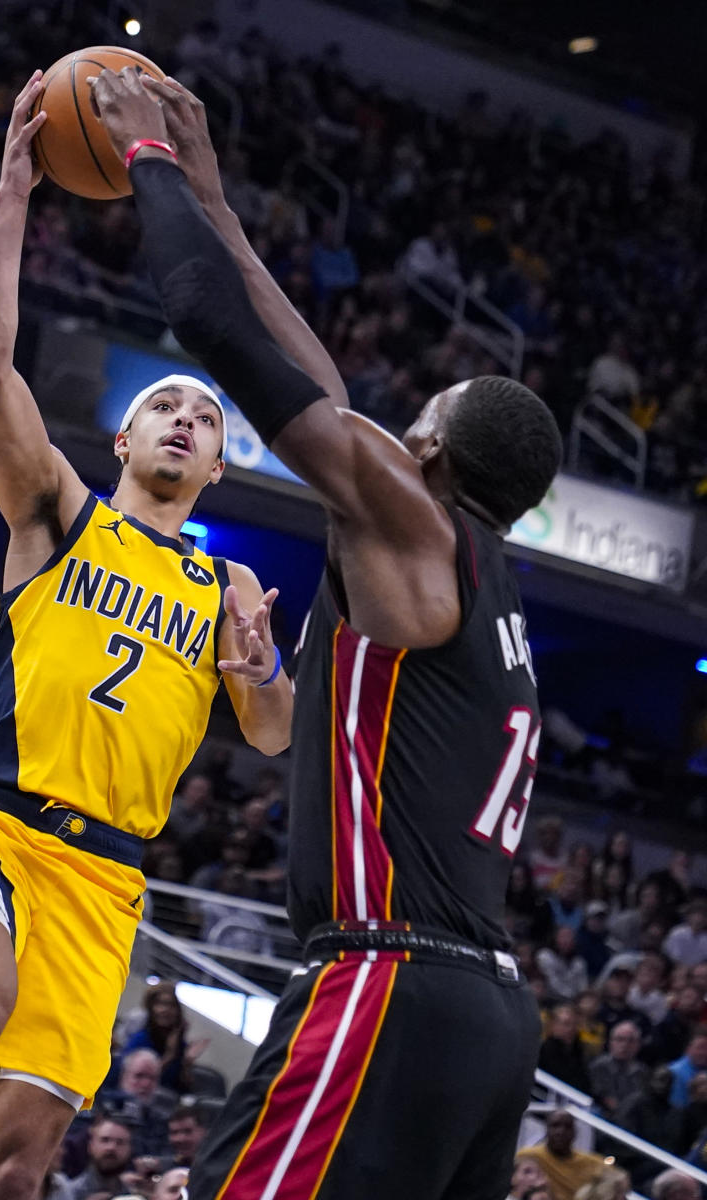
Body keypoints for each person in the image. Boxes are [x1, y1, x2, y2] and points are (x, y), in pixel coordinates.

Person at [92, 69, 561, 1199]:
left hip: (388, 982)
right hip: (489, 1019)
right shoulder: (481, 585)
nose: (396, 425)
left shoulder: (412, 527)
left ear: (435, 456)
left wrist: (150, 163)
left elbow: (215, 329)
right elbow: (328, 392)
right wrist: (220, 199)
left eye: (422, 417)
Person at [0, 73, 291, 1200]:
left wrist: (265, 669)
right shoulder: (57, 512)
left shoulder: (231, 583)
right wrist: (12, 192)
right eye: (168, 407)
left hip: (105, 882)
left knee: (12, 1174)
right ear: (122, 437)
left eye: (205, 417)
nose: (187, 421)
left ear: (218, 465)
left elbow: (276, 735)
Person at [517, 1112, 605, 1200]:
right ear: (546, 1129)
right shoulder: (527, 1155)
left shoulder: (592, 1163)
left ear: (575, 1132)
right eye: (555, 1125)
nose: (561, 1131)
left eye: (567, 1127)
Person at [61, 1115, 136, 1200]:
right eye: (105, 1140)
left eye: (120, 1142)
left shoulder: (134, 1194)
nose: (111, 1147)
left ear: (129, 1150)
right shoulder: (69, 1194)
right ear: (90, 1146)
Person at [588, 1020, 647, 1123]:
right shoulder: (598, 1067)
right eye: (620, 1039)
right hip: (603, 1120)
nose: (625, 1045)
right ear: (611, 1042)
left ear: (638, 1045)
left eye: (631, 1041)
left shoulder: (643, 1072)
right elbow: (604, 1099)